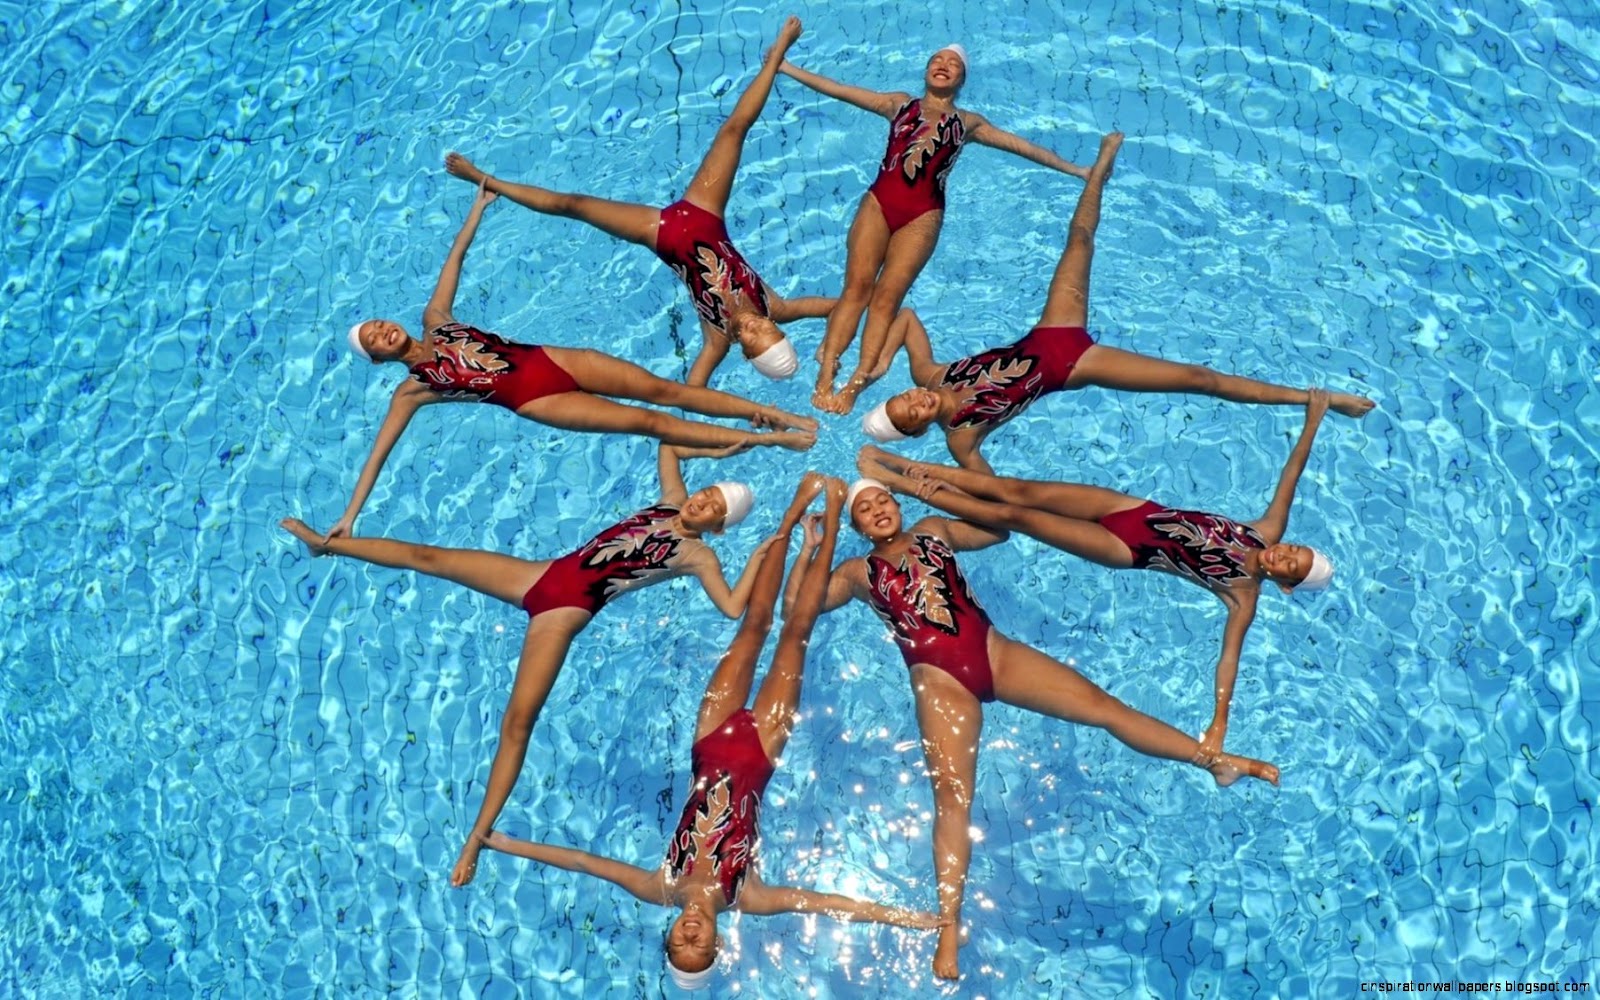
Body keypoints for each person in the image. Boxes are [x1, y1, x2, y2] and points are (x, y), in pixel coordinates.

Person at [801, 471, 1278, 980]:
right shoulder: (856, 572)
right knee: (953, 800)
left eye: (882, 499)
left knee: (1103, 707)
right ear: (857, 526)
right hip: (940, 684)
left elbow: (997, 530)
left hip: (995, 652)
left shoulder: (934, 529)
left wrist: (955, 498)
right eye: (863, 510)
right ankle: (947, 932)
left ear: (896, 502)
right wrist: (818, 540)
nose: (877, 509)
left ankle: (1214, 762)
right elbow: (800, 608)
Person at [479, 473, 944, 991]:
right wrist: (907, 919)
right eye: (700, 947)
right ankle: (831, 523)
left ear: (671, 935)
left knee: (752, 627)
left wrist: (498, 842)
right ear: (718, 943)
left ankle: (790, 521)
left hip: (711, 738)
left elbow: (583, 861)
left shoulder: (660, 885)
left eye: (680, 943)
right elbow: (825, 904)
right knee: (796, 632)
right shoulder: (748, 895)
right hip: (762, 751)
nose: (691, 936)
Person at [281, 443, 777, 889]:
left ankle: (476, 836)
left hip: (563, 615)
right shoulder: (671, 501)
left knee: (517, 723)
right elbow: (669, 444)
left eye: (714, 506)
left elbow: (733, 608)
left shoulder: (698, 556)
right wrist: (722, 452)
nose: (703, 501)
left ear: (719, 525)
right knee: (428, 556)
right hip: (539, 575)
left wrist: (755, 558)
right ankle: (326, 545)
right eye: (707, 492)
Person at [859, 386, 1335, 762]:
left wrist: (1219, 723)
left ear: (1286, 585)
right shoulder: (1264, 530)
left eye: (1289, 566)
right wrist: (1312, 422)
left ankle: (902, 482)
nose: (1283, 555)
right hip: (1132, 509)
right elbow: (1289, 477)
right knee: (1015, 491)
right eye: (1293, 549)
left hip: (1126, 546)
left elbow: (1228, 659)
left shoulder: (1241, 592)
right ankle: (901, 463)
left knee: (1018, 517)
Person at [334, 177, 817, 540]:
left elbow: (454, 261)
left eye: (378, 323)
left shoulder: (435, 318)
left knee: (667, 391)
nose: (383, 331)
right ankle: (770, 441)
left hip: (557, 359)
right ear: (378, 359)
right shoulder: (413, 389)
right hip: (536, 400)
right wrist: (350, 517)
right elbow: (379, 454)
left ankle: (776, 416)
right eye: (374, 339)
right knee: (648, 422)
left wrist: (477, 208)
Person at [860, 133, 1374, 472]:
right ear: (918, 429)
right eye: (911, 416)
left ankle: (1098, 169)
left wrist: (876, 367)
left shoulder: (931, 374)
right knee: (1199, 380)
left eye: (904, 399)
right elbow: (991, 495)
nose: (916, 402)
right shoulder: (961, 439)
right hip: (1077, 366)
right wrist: (916, 479)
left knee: (1080, 240)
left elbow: (904, 318)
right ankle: (1315, 398)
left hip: (1050, 332)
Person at [443, 17, 833, 388]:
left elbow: (695, 390)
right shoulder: (776, 306)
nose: (751, 326)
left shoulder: (717, 340)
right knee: (734, 130)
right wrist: (834, 354)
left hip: (660, 233)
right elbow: (846, 304)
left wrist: (747, 421)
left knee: (572, 204)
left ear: (745, 355)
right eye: (764, 330)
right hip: (706, 213)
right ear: (777, 328)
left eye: (750, 339)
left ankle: (484, 180)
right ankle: (778, 53)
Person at [777, 42, 1092, 413]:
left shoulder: (967, 123)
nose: (943, 65)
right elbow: (840, 90)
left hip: (923, 216)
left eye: (953, 64)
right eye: (937, 60)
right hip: (878, 204)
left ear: (961, 79)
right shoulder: (899, 104)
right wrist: (787, 68)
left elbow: (1020, 146)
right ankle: (826, 374)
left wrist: (1076, 170)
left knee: (886, 299)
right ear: (926, 70)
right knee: (856, 288)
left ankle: (855, 385)